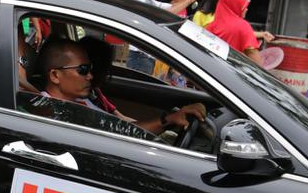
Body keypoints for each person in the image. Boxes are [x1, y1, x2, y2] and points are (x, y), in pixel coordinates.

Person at [39, 38, 204, 134]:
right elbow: (123, 133)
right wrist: (167, 120)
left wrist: (169, 119)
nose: (90, 76)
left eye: (90, 68)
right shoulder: (54, 114)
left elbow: (121, 127)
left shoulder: (79, 102)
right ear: (55, 75)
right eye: (83, 70)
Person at [206, 0, 276, 63]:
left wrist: (262, 34)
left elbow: (236, 33)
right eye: (243, 6)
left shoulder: (210, 26)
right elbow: (252, 53)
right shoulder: (243, 26)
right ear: (234, 7)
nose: (246, 9)